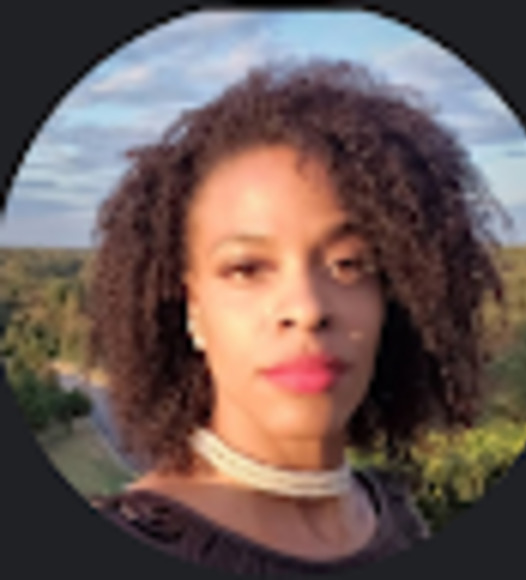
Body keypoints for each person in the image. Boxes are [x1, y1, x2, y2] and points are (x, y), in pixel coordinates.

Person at [89, 60, 503, 577]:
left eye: (349, 264)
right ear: (192, 310)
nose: (307, 308)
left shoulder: (396, 515)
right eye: (247, 269)